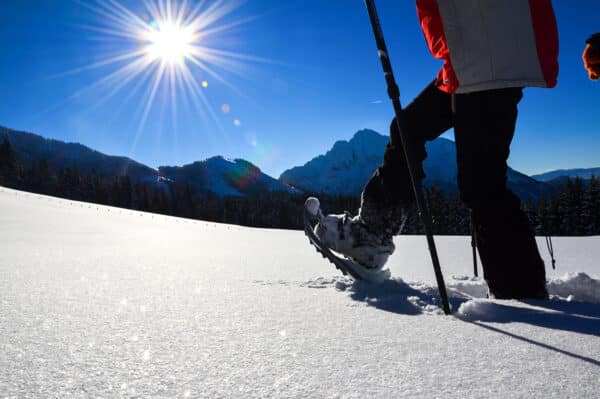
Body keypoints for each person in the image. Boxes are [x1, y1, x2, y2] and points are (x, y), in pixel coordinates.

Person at [315, 0, 559, 299]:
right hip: (473, 52)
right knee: (407, 129)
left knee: (482, 182)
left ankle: (522, 293)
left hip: (491, 49)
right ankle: (372, 238)